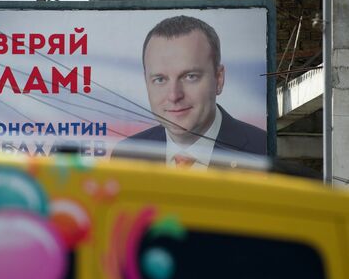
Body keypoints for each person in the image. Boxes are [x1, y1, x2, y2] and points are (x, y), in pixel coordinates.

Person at [111, 15, 267, 168]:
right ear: (147, 83)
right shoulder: (126, 156)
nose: (174, 95)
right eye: (160, 79)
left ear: (218, 79)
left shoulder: (264, 152)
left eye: (190, 77)